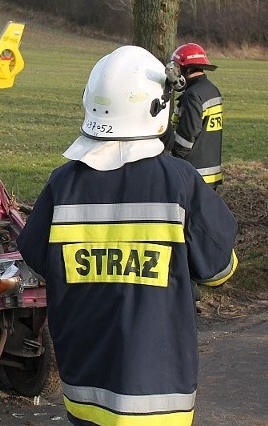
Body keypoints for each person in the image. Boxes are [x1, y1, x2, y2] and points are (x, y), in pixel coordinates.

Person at [17, 45, 238, 426]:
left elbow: (36, 259)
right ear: (158, 106)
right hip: (159, 396)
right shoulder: (180, 182)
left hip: (83, 390)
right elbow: (220, 269)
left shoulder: (62, 184)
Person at [169, 43, 223, 190]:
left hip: (193, 174)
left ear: (188, 68)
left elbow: (185, 140)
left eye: (177, 67)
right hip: (211, 173)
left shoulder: (192, 95)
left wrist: (170, 161)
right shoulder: (212, 90)